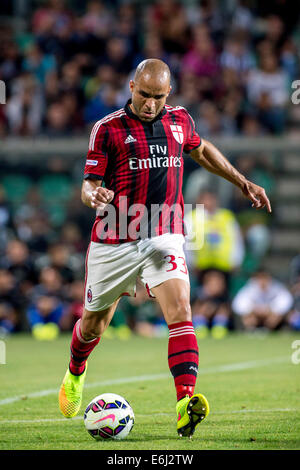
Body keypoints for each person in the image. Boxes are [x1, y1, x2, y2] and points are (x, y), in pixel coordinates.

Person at [58, 58, 271, 438]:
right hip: (114, 236)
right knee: (94, 325)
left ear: (168, 93)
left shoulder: (180, 120)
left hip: (164, 233)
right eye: (144, 95)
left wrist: (242, 182)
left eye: (158, 96)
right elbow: (87, 183)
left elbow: (202, 151)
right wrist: (95, 194)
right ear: (131, 87)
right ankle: (75, 371)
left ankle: (184, 404)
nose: (150, 104)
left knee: (181, 310)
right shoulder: (106, 129)